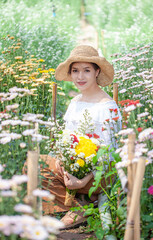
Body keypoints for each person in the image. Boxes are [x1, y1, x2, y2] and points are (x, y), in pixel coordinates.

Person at [40, 45, 122, 229]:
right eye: (75, 71)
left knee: (96, 175)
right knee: (36, 165)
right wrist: (62, 160)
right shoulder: (75, 102)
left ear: (97, 72)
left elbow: (109, 153)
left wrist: (84, 180)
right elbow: (67, 139)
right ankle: (82, 206)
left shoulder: (107, 107)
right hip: (74, 168)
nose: (80, 76)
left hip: (98, 173)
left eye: (86, 70)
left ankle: (84, 200)